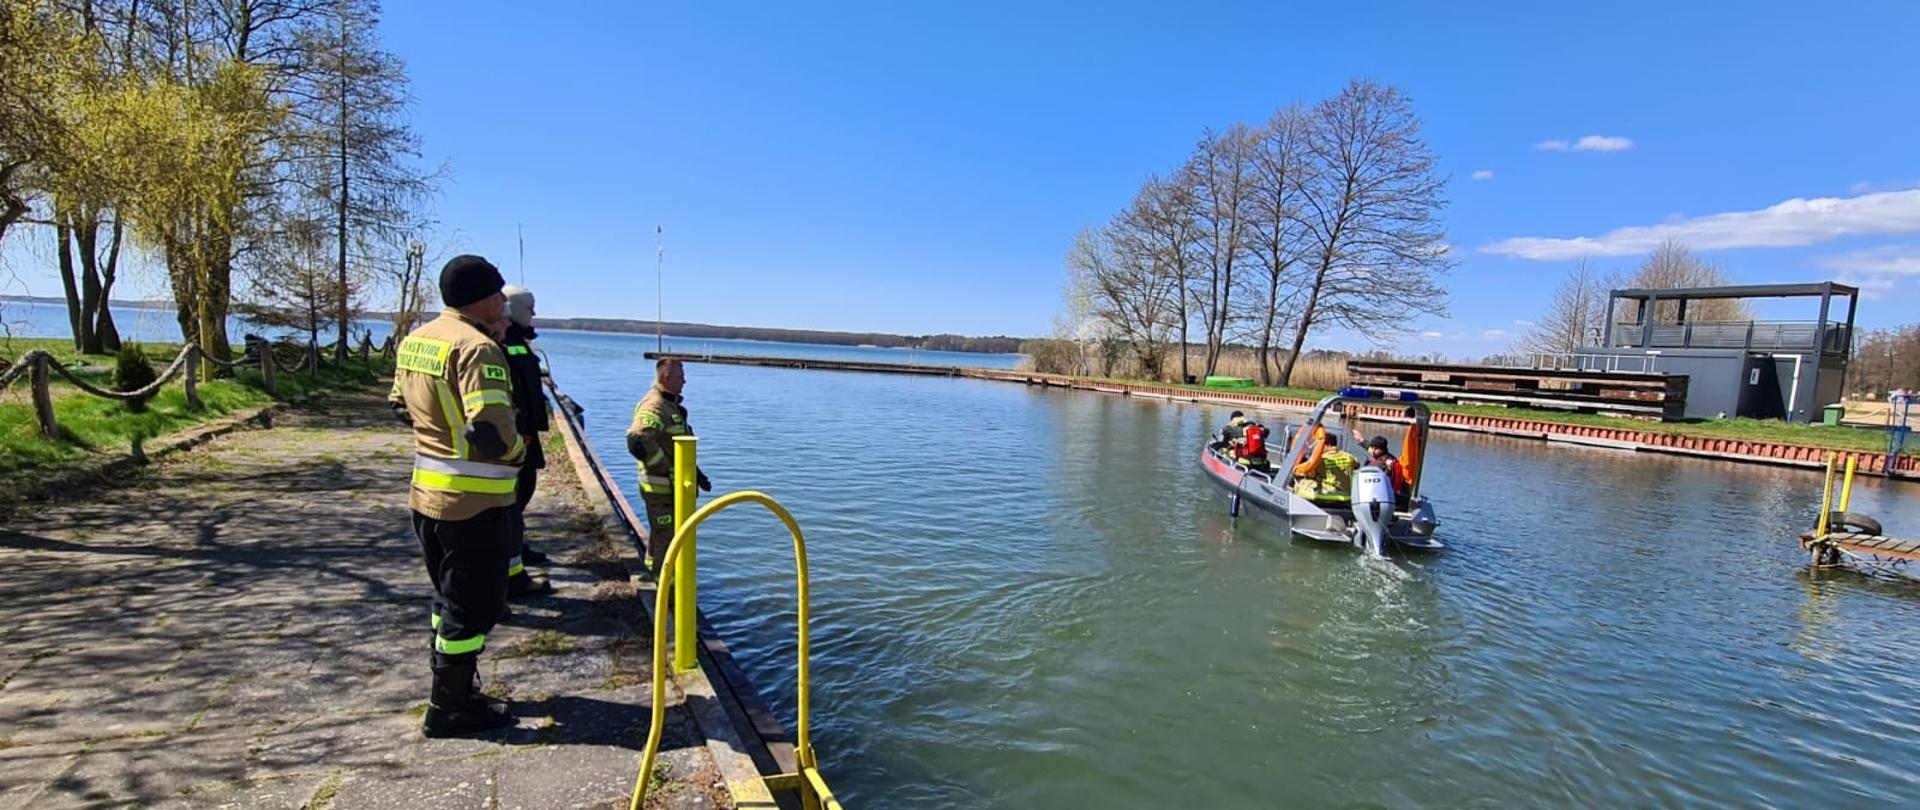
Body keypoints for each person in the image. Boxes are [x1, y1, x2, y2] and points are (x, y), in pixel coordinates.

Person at [389, 255, 524, 737]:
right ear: (482, 298)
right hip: (473, 503)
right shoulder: (477, 349)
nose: (505, 302)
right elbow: (490, 430)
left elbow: (398, 405)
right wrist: (519, 450)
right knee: (476, 607)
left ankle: (456, 688)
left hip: (426, 495)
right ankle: (449, 706)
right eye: (499, 295)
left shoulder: (417, 341)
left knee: (448, 597)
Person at [625, 359, 712, 572]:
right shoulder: (655, 405)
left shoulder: (669, 405)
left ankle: (655, 577)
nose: (685, 381)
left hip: (670, 490)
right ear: (666, 377)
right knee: (667, 539)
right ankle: (667, 592)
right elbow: (637, 439)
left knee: (661, 536)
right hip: (660, 490)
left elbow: (674, 447)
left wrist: (696, 474)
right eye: (680, 377)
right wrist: (667, 469)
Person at [499, 284, 553, 598]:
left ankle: (518, 551)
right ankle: (512, 574)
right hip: (516, 436)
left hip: (527, 433)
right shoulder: (501, 343)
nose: (533, 312)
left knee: (523, 494)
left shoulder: (518, 341)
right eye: (528, 307)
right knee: (512, 501)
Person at [1364, 435, 1412, 501]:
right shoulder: (1375, 458)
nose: (1373, 450)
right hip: (1372, 491)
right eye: (1372, 448)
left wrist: (1389, 468)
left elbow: (1386, 479)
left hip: (1381, 494)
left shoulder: (1387, 461)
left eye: (1375, 448)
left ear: (1382, 449)